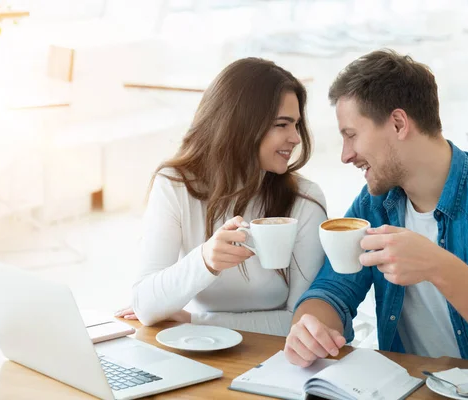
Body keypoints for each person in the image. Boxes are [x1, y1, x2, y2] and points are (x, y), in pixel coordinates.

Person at [284, 49, 468, 376]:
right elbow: (331, 291)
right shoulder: (374, 205)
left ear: (398, 123)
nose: (345, 155)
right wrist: (308, 329)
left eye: (351, 135)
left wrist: (438, 266)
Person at [115, 57, 327, 336]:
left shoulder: (305, 200)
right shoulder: (175, 186)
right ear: (241, 125)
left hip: (278, 359)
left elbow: (301, 323)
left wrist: (196, 321)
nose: (296, 138)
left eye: (296, 125)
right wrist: (204, 260)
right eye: (282, 125)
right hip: (200, 351)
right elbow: (145, 305)